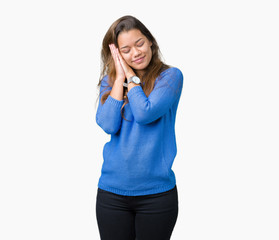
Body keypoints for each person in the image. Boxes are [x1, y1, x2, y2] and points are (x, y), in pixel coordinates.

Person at [95, 15, 183, 240]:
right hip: (112, 194)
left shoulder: (170, 77)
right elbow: (107, 124)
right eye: (125, 50)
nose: (135, 53)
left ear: (150, 41)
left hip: (156, 195)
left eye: (140, 43)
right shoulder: (110, 82)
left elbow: (145, 113)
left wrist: (131, 77)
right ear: (117, 55)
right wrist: (118, 80)